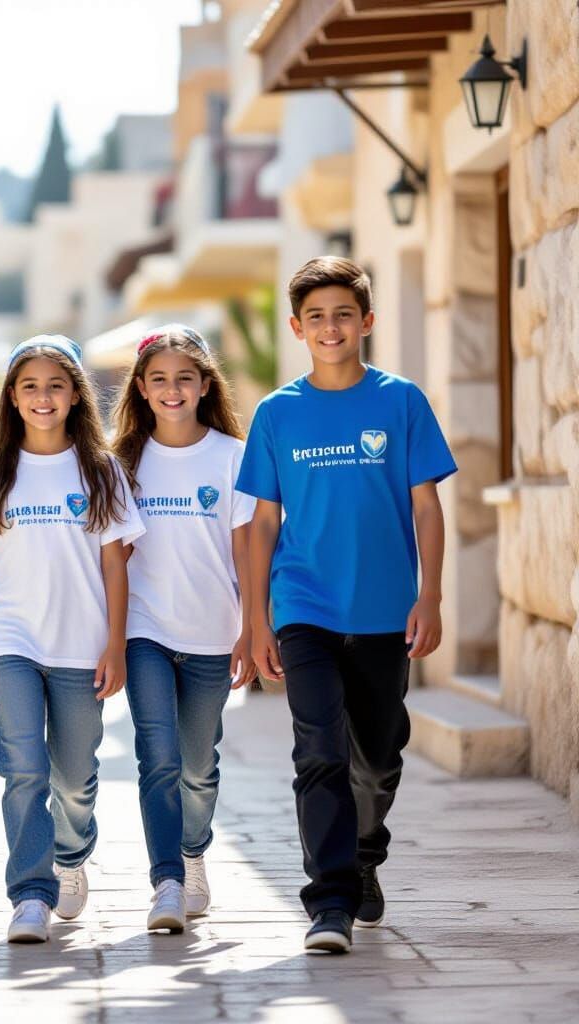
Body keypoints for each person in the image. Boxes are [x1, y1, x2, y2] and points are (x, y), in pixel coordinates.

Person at [237, 257, 457, 953]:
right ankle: (328, 901)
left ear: (366, 321)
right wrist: (255, 618)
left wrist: (431, 594)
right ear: (297, 328)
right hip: (304, 605)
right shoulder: (277, 413)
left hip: (387, 609)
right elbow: (264, 522)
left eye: (343, 314)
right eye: (316, 317)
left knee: (380, 753)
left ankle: (364, 854)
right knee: (320, 752)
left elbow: (427, 505)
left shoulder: (401, 402)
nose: (330, 327)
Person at [0, 335, 144, 943]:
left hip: (80, 643)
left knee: (76, 773)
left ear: (75, 396)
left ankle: (71, 850)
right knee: (23, 767)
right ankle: (29, 894)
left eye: (55, 385)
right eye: (30, 386)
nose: (43, 397)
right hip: (11, 637)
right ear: (11, 397)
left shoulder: (101, 468)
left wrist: (115, 645)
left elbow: (116, 564)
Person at [112, 324, 257, 934]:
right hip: (145, 628)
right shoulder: (121, 461)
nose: (172, 389)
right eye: (160, 379)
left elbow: (247, 548)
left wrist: (253, 628)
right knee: (158, 757)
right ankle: (167, 881)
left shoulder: (232, 456)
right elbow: (108, 556)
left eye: (185, 378)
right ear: (142, 389)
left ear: (204, 385)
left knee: (199, 763)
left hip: (212, 632)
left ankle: (194, 855)